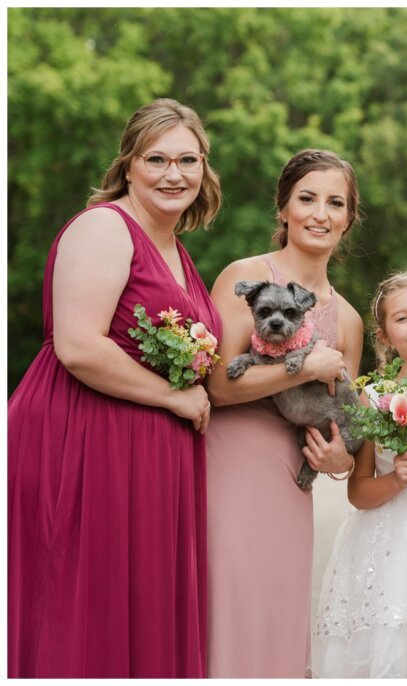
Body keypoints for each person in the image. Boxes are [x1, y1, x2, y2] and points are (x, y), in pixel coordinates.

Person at [8, 99, 222, 677]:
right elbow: (77, 345)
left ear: (204, 168)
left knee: (137, 607)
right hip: (83, 440)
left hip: (149, 453)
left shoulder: (176, 249)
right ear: (128, 166)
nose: (173, 174)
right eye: (156, 159)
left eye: (188, 159)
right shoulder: (105, 227)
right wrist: (176, 397)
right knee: (83, 604)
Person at [204, 149, 364, 677]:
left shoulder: (349, 319)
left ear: (348, 217)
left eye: (335, 203)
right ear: (284, 209)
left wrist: (339, 458)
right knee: (224, 603)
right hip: (230, 462)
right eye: (307, 199)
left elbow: (345, 417)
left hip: (290, 483)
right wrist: (303, 367)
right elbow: (217, 384)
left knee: (279, 610)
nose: (321, 213)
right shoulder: (245, 276)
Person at [311, 268, 407, 677]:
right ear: (384, 336)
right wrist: (396, 479)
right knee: (392, 650)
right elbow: (358, 493)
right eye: (401, 318)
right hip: (390, 551)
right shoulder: (374, 395)